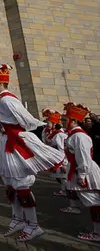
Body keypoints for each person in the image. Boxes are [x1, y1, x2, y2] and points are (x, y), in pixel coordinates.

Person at [0, 64, 63, 242]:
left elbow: (28, 121)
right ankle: (18, 219)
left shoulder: (7, 100)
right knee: (10, 184)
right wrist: (1, 127)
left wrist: (14, 130)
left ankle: (33, 225)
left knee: (21, 185)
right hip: (6, 142)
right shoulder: (2, 100)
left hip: (14, 142)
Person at [61, 102, 100, 242]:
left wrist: (82, 175)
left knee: (94, 202)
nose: (62, 122)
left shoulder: (79, 136)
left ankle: (97, 233)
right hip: (82, 170)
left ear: (74, 121)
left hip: (86, 171)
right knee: (94, 202)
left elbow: (84, 157)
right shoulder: (74, 135)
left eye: (65, 120)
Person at [41, 110, 69, 198]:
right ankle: (65, 190)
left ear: (53, 123)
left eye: (48, 121)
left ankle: (67, 191)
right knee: (58, 177)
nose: (46, 123)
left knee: (63, 176)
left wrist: (64, 163)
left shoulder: (59, 134)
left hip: (61, 159)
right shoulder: (47, 131)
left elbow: (62, 149)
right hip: (53, 157)